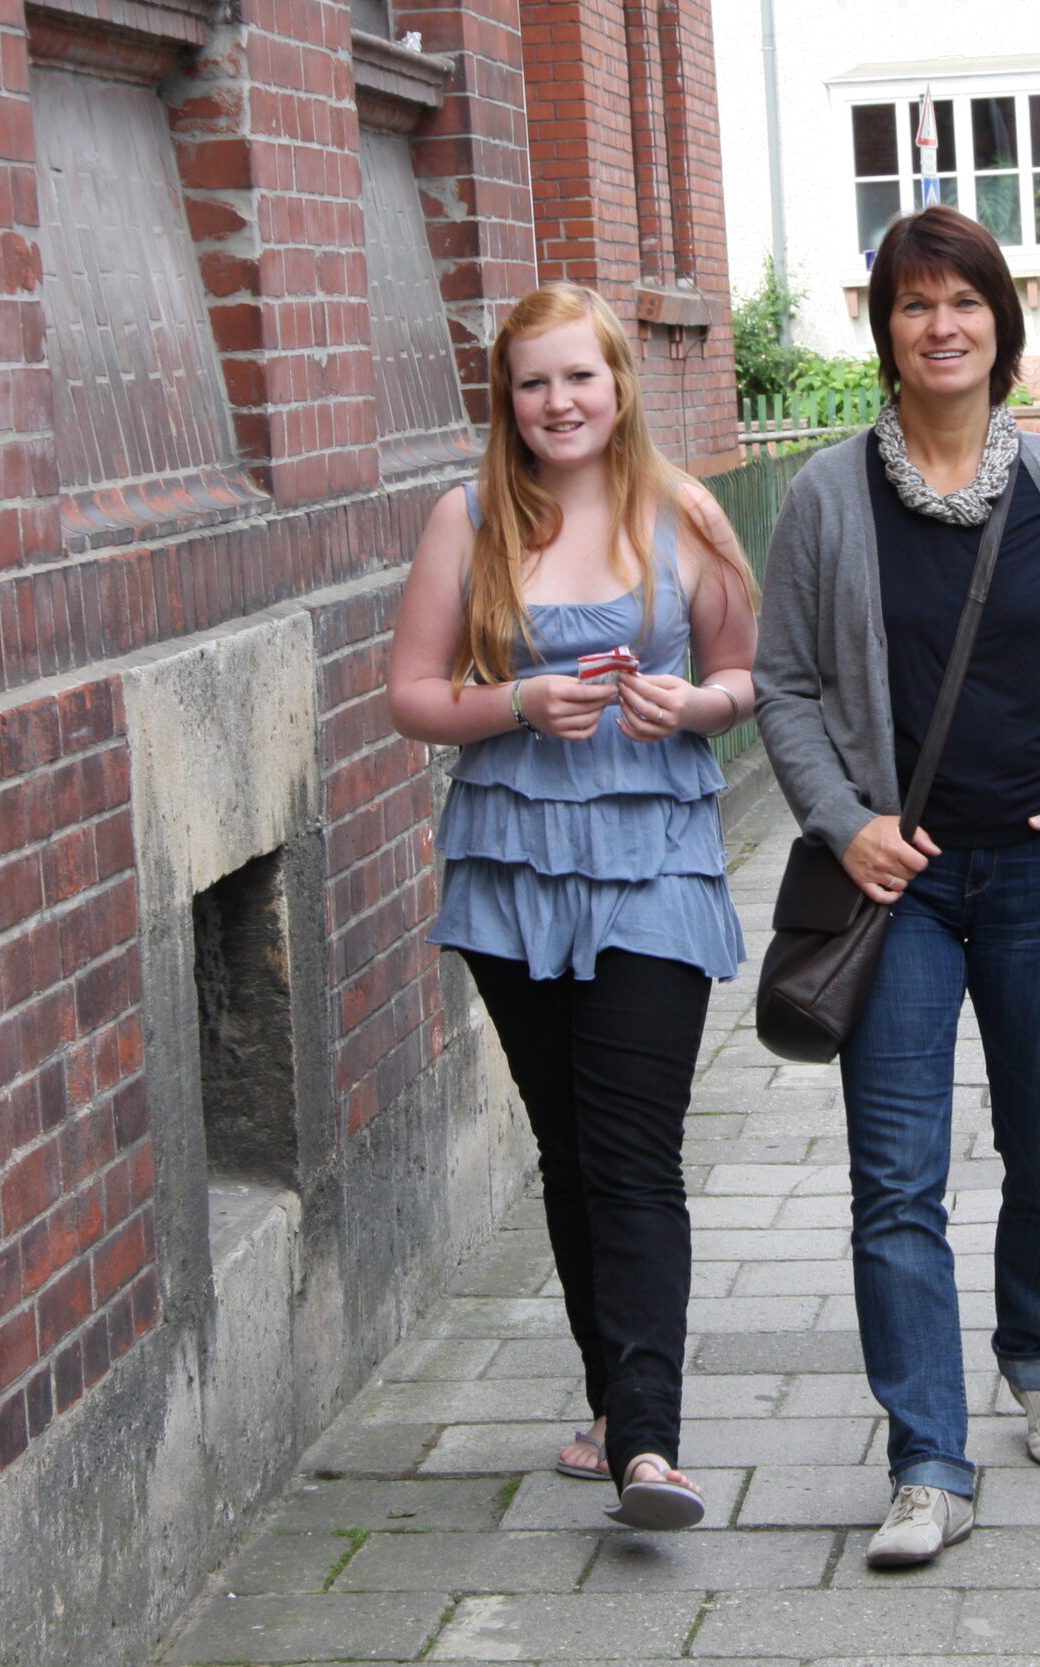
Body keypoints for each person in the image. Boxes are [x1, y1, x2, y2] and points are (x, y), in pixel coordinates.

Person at [754, 205, 1040, 1568]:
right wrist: (842, 821)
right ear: (885, 330)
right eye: (915, 303)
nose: (942, 325)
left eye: (965, 301)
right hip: (897, 891)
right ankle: (926, 1458)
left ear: (1001, 323)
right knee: (894, 1177)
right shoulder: (826, 497)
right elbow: (784, 684)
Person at [385, 283, 757, 1531]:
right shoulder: (467, 519)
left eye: (579, 377)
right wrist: (516, 703)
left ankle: (649, 1445)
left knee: (635, 1150)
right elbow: (412, 693)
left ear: (618, 385)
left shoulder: (684, 510)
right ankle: (611, 1405)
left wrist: (693, 707)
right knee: (571, 1147)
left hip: (655, 858)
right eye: (534, 381)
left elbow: (747, 673)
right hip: (514, 864)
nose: (559, 402)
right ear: (508, 396)